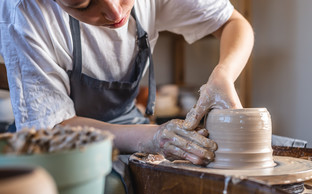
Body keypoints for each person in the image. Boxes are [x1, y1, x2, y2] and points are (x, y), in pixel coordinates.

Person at [0, 0, 254, 166]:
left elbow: (232, 22)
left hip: (129, 122)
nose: (114, 11)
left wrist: (223, 74)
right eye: (83, 3)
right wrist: (154, 138)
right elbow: (50, 126)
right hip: (60, 145)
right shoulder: (23, 10)